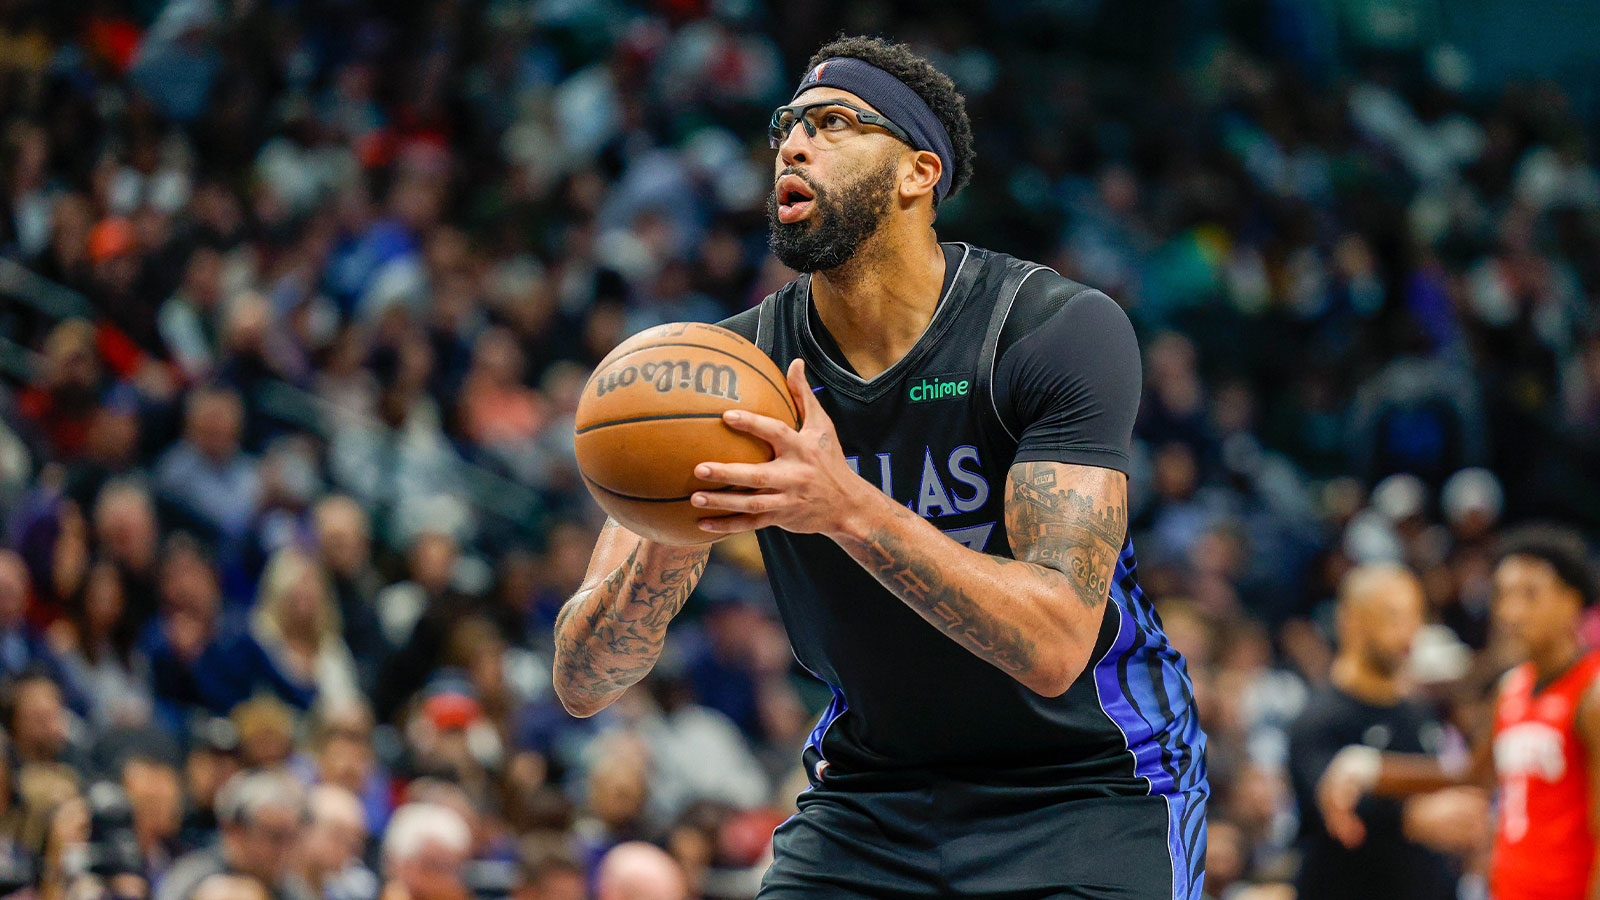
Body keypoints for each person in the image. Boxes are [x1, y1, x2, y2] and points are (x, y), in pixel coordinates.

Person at [552, 35, 1207, 900]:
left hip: (1088, 781)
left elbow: (1054, 646)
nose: (793, 145)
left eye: (832, 123)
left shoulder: (1047, 330)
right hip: (874, 790)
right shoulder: (726, 375)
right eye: (786, 126)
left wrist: (844, 506)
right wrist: (672, 530)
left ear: (917, 172)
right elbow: (584, 682)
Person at [1318, 525, 1600, 900]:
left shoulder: (1592, 693)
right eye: (1502, 594)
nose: (1511, 612)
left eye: (1529, 595)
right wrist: (1369, 767)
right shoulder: (1511, 688)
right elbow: (1473, 775)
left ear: (1572, 601)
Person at [1286, 564, 1488, 900]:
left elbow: (1440, 784)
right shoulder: (1319, 718)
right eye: (1392, 616)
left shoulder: (1420, 713)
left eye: (1415, 616)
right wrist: (1410, 818)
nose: (1408, 631)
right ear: (1350, 621)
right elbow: (1332, 802)